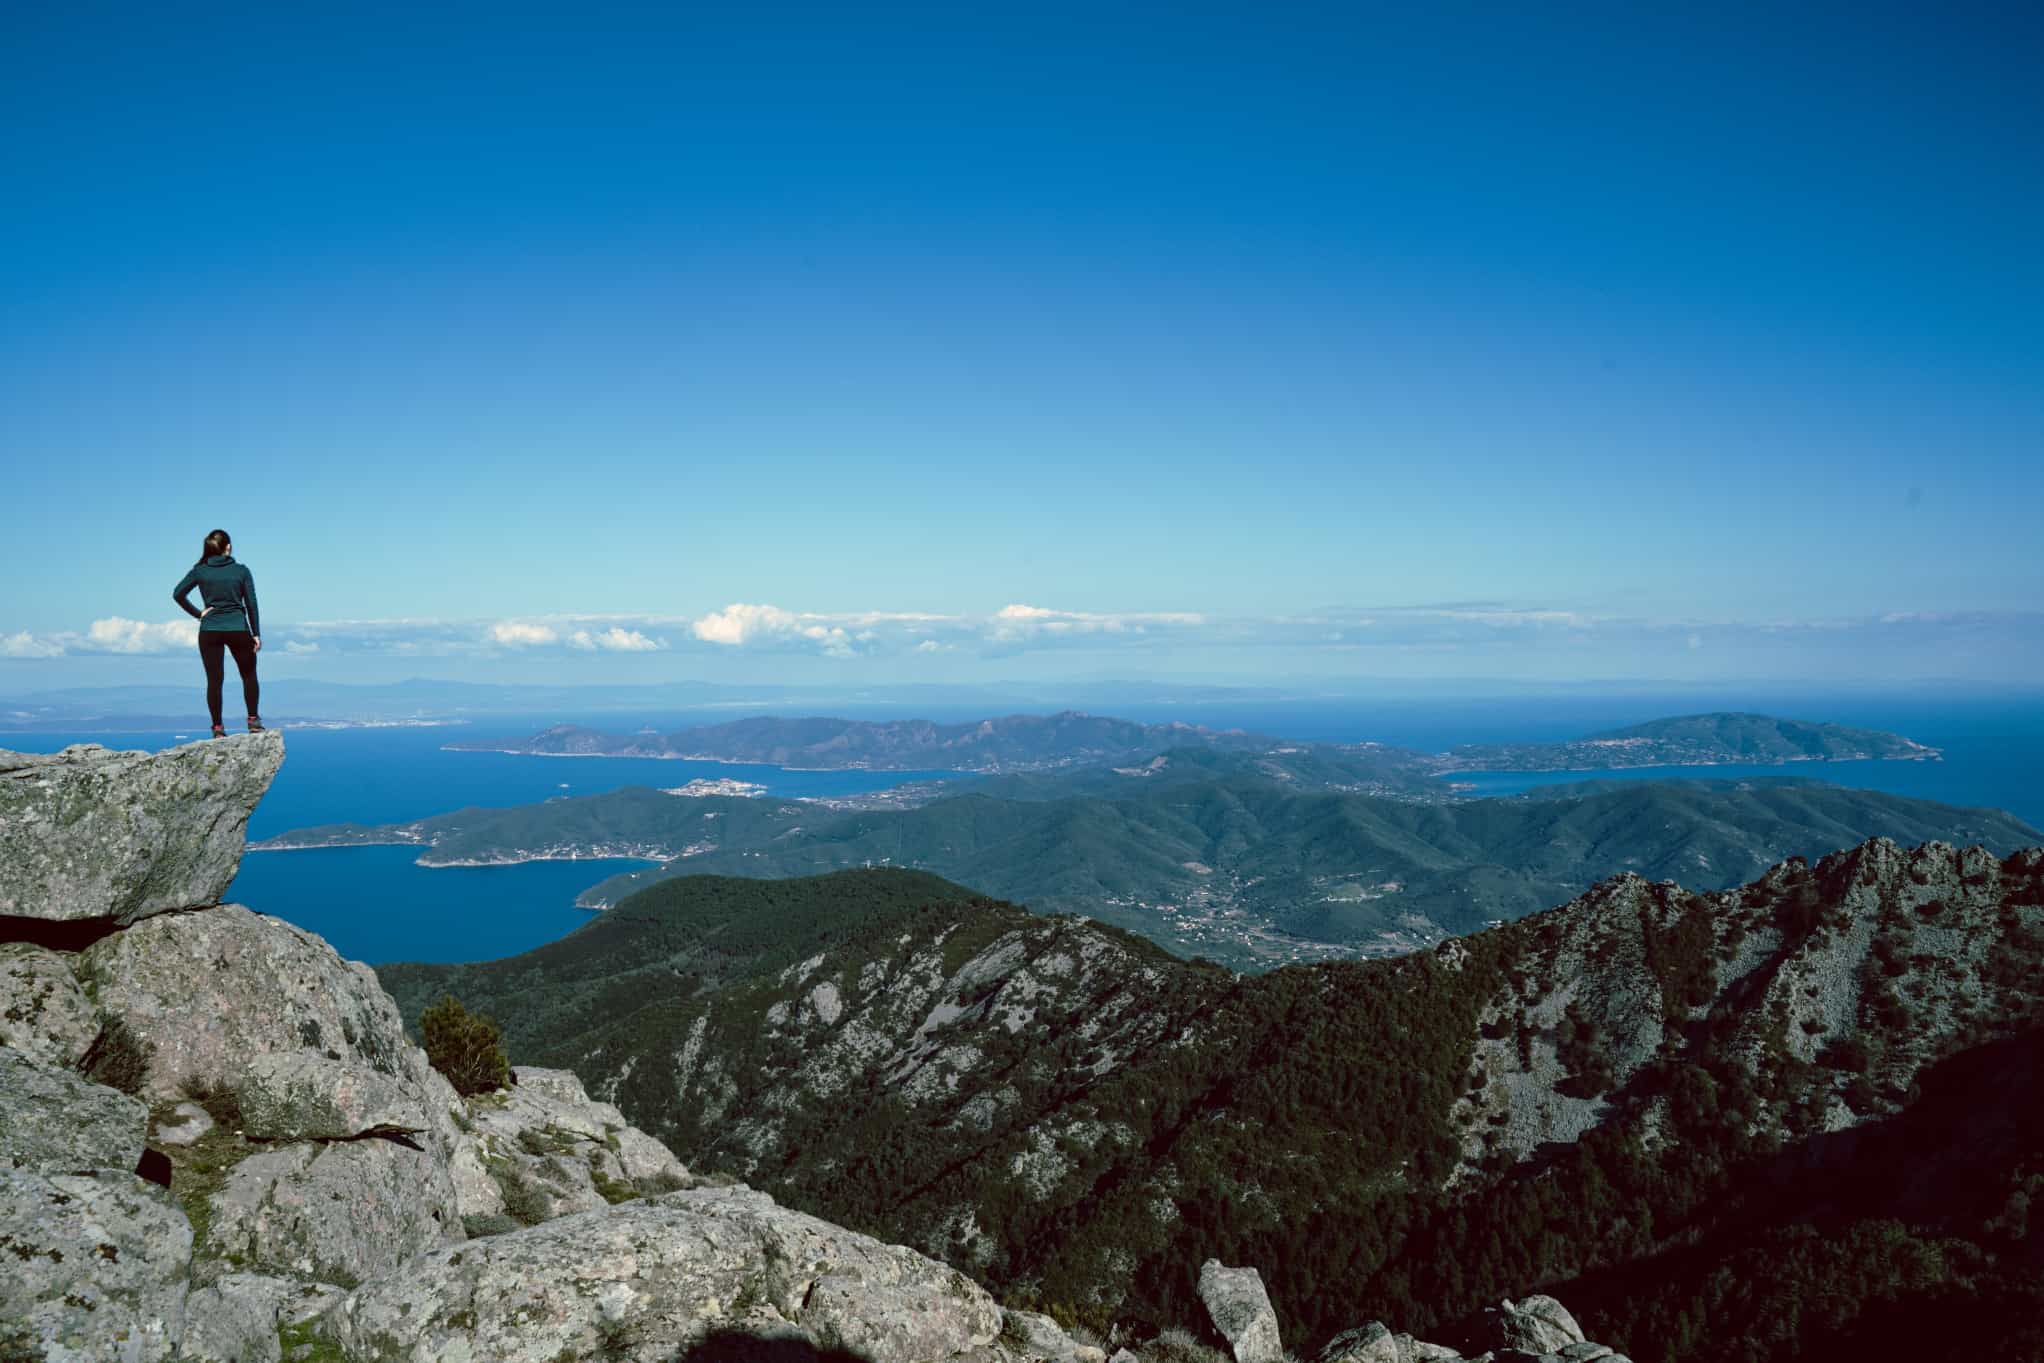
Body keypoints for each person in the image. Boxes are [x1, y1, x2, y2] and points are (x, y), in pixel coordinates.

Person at [172, 529, 263, 737]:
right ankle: (253, 722)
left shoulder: (200, 570)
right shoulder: (241, 571)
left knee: (214, 681)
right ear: (227, 547)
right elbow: (251, 604)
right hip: (238, 629)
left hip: (209, 630)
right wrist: (256, 633)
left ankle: (218, 729)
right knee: (249, 675)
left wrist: (199, 614)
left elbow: (178, 594)